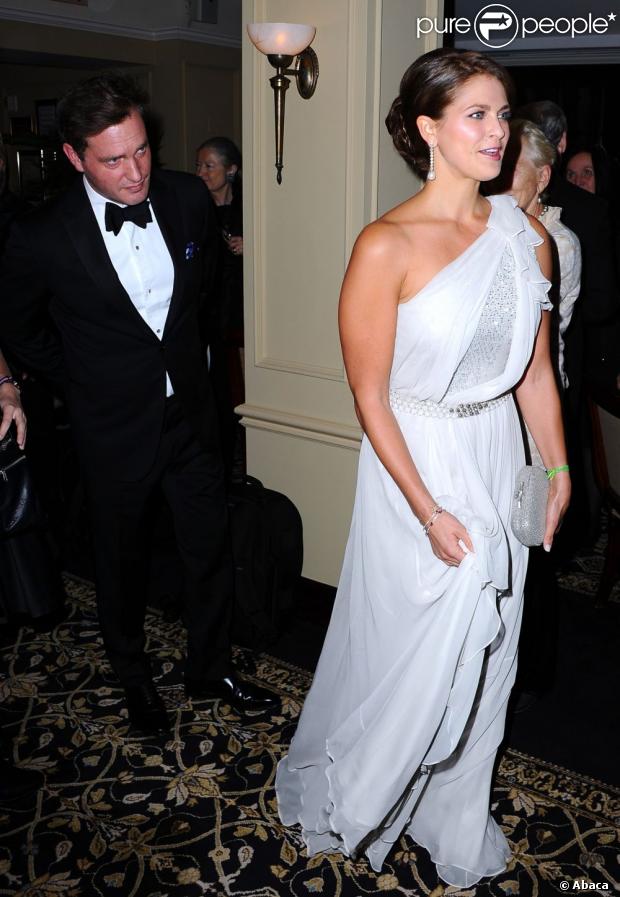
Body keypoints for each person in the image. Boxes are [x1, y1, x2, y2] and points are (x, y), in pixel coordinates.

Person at [276, 48, 570, 886]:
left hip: (496, 450)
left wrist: (558, 471)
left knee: (489, 651)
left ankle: (451, 810)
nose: (497, 131)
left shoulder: (527, 239)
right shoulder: (385, 244)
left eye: (502, 114)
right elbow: (369, 395)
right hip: (417, 462)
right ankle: (365, 790)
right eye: (475, 114)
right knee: (413, 651)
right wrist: (428, 508)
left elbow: (534, 372)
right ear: (427, 129)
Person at [0, 74, 275, 738]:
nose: (135, 172)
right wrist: (84, 379)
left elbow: (205, 290)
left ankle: (209, 667)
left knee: (208, 546)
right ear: (74, 157)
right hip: (113, 427)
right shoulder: (41, 235)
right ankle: (134, 678)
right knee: (120, 561)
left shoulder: (186, 197)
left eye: (143, 150)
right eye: (114, 159)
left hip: (192, 417)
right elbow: (18, 325)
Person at [492, 118, 581, 389]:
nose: (499, 178)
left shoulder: (558, 242)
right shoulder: (493, 225)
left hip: (533, 383)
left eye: (512, 169)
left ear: (542, 178)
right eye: (498, 165)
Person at [195, 137, 244, 477]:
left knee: (243, 383)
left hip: (242, 307)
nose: (201, 172)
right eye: (198, 165)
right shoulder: (194, 206)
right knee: (217, 388)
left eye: (208, 165)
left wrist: (251, 245)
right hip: (209, 310)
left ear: (231, 170)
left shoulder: (249, 205)